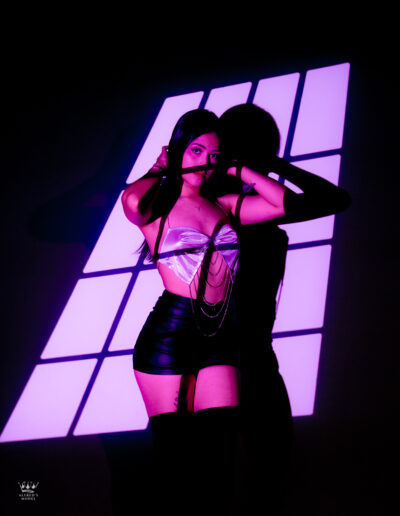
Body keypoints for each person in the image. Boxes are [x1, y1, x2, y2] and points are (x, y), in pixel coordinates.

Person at [121, 108, 292, 516]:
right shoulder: (157, 207)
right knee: (173, 455)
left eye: (214, 156)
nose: (204, 162)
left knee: (218, 456)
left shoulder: (225, 205)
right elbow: (131, 200)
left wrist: (242, 168)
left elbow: (285, 203)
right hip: (169, 333)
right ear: (178, 149)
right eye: (196, 150)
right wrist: (161, 165)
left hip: (219, 334)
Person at [218, 103, 351, 515]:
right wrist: (260, 165)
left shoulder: (255, 207)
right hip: (226, 350)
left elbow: (334, 199)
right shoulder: (222, 205)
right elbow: (331, 199)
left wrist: (268, 165)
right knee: (247, 464)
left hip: (253, 349)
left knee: (269, 461)